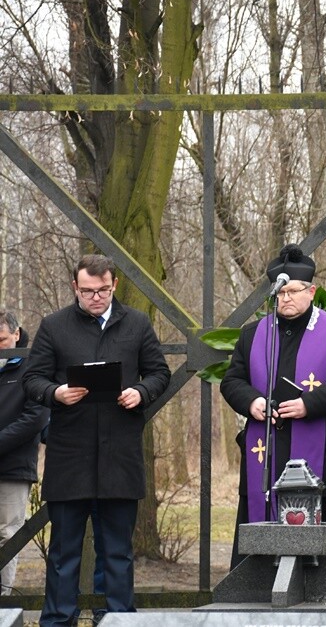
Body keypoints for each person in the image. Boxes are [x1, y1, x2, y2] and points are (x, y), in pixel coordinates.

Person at [22, 255, 170, 626]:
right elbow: (32, 379)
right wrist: (56, 393)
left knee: (118, 553)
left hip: (120, 455)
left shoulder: (136, 323)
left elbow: (159, 373)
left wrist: (140, 391)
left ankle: (119, 618)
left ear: (114, 284)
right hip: (69, 456)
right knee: (63, 552)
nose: (96, 297)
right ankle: (58, 619)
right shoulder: (54, 326)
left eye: (103, 290)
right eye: (87, 291)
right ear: (75, 287)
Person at [220, 244, 326, 569]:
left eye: (294, 291)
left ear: (311, 291)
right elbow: (231, 382)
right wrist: (252, 402)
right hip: (265, 452)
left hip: (315, 452)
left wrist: (308, 404)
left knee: (318, 551)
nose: (286, 298)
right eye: (281, 292)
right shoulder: (252, 334)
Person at [0, 313, 47, 595]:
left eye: (2, 340)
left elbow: (35, 419)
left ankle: (2, 601)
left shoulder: (32, 368)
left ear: (16, 334)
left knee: (7, 535)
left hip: (14, 468)